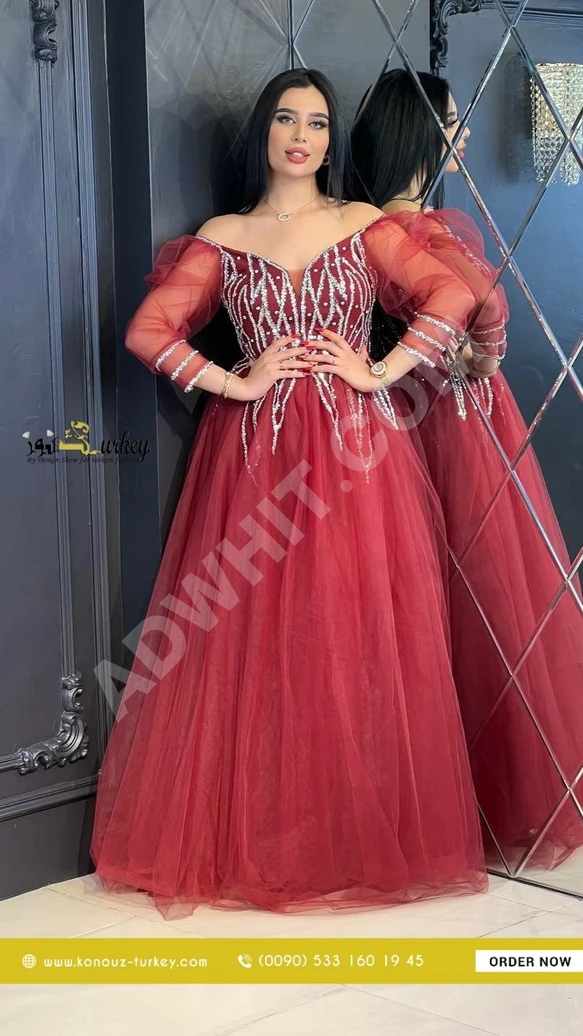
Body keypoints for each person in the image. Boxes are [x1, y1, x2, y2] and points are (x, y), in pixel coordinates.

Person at [91, 69, 488, 918]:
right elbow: (147, 331)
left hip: (358, 459)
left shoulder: (357, 222)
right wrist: (234, 382)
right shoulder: (225, 236)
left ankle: (354, 836)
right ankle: (263, 839)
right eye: (284, 118)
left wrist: (379, 369)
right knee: (252, 640)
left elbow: (454, 293)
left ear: (331, 137)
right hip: (252, 461)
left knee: (353, 631)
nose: (300, 136)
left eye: (315, 122)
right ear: (263, 131)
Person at [351, 69, 583, 873]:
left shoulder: (354, 225)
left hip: (389, 415)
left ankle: (426, 788)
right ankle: (488, 789)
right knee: (480, 594)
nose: (464, 134)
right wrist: (483, 357)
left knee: (417, 598)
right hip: (447, 416)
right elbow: (482, 305)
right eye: (452, 121)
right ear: (418, 131)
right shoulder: (417, 229)